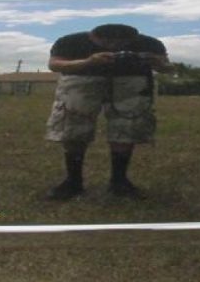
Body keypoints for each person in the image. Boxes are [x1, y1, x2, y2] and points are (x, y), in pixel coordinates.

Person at [45, 23, 172, 199]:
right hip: (81, 80)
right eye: (108, 43)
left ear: (133, 39)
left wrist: (156, 62)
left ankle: (119, 182)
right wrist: (89, 61)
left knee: (127, 126)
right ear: (93, 37)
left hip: (131, 83)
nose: (115, 46)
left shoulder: (150, 44)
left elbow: (167, 68)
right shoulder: (70, 41)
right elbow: (54, 64)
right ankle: (73, 181)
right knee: (73, 126)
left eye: (122, 43)